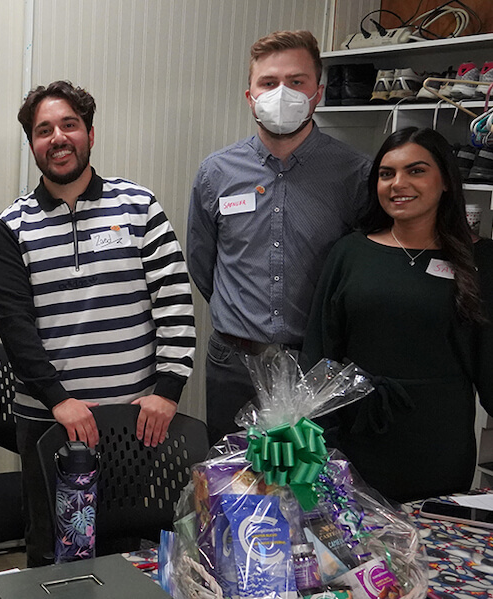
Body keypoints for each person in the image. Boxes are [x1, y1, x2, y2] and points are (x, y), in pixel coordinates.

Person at [0, 80, 196, 566]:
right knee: (52, 546)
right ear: (33, 144)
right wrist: (59, 401)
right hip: (47, 420)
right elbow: (15, 326)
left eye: (69, 125)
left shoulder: (139, 206)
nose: (57, 137)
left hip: (134, 418)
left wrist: (167, 390)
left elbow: (174, 300)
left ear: (90, 134)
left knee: (129, 545)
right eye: (44, 130)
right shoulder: (12, 225)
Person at [187, 30, 372, 445]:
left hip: (316, 364)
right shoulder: (216, 173)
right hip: (235, 361)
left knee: (312, 491)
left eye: (297, 81)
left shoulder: (355, 174)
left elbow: (360, 272)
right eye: (269, 83)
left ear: (317, 93)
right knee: (231, 488)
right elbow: (203, 265)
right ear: (250, 96)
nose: (282, 92)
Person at [304, 127, 492, 502]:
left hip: (438, 443)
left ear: (446, 182)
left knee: (428, 552)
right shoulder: (350, 253)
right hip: (355, 438)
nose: (398, 183)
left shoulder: (481, 260)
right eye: (386, 174)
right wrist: (316, 439)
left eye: (416, 171)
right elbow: (319, 353)